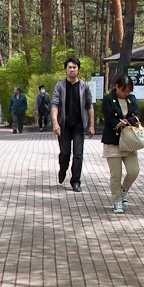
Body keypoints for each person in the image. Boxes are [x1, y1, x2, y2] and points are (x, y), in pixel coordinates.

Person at [51, 56, 94, 191]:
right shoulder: (60, 85)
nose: (72, 70)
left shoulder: (84, 86)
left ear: (78, 69)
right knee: (65, 153)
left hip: (79, 125)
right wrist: (55, 123)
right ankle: (63, 169)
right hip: (64, 125)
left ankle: (76, 181)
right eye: (69, 67)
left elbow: (89, 106)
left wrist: (92, 125)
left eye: (74, 67)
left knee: (78, 154)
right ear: (65, 69)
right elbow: (55, 104)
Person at [100, 74, 142, 213]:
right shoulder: (108, 99)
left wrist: (128, 121)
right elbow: (109, 118)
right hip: (113, 142)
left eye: (129, 91)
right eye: (124, 90)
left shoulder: (132, 99)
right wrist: (120, 124)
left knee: (133, 170)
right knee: (115, 174)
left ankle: (123, 190)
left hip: (129, 141)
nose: (126, 94)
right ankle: (117, 200)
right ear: (117, 86)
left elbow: (136, 115)